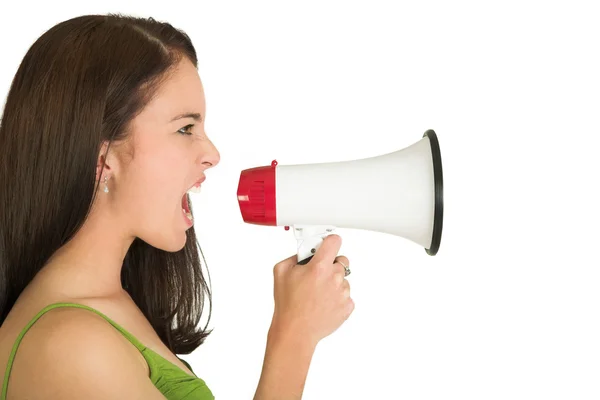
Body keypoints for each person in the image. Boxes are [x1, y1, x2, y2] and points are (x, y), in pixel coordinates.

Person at [0, 13, 354, 400]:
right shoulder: (70, 347)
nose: (212, 154)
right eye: (185, 129)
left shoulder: (108, 307)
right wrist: (294, 336)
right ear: (103, 159)